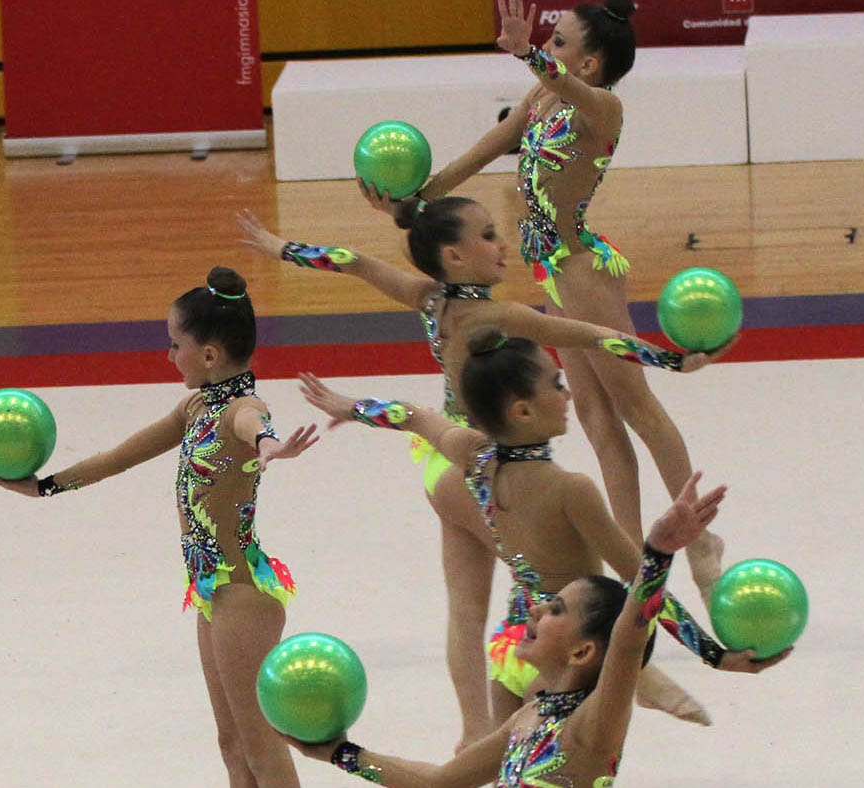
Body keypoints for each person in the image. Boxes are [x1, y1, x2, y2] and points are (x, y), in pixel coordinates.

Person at [239, 205, 728, 742]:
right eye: (490, 236)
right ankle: (635, 675)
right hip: (476, 464)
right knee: (551, 577)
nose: (503, 245)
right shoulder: (496, 316)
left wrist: (280, 249)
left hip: (446, 454)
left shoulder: (429, 300)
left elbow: (353, 261)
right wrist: (669, 360)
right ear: (454, 255)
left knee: (468, 610)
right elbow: (587, 335)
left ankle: (473, 733)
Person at [361, 0, 727, 624]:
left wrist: (526, 51)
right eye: (550, 41)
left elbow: (563, 85)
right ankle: (635, 567)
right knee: (596, 417)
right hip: (552, 268)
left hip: (583, 268)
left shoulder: (602, 108)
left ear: (589, 62)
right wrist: (418, 200)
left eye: (560, 42)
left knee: (637, 407)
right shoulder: (543, 96)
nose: (550, 49)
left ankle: (700, 543)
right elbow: (487, 149)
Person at [297, 329, 764, 733]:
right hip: (567, 655)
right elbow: (643, 584)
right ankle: (645, 683)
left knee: (511, 773)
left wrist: (352, 407)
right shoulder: (571, 490)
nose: (568, 395)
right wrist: (713, 654)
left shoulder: (474, 457)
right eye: (557, 385)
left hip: (517, 645)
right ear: (522, 411)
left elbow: (412, 416)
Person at [0, 267, 319, 788]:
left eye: (175, 345)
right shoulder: (196, 406)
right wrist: (45, 487)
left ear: (210, 355)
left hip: (244, 596)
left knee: (261, 746)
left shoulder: (241, 409)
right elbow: (119, 457)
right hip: (213, 593)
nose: (169, 355)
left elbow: (255, 423)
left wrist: (269, 444)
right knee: (233, 746)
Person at [283, 462, 789, 786]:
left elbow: (629, 638)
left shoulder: (593, 725)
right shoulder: (528, 717)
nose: (537, 610)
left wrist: (657, 553)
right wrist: (342, 754)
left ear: (583, 652)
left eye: (557, 610)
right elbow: (439, 782)